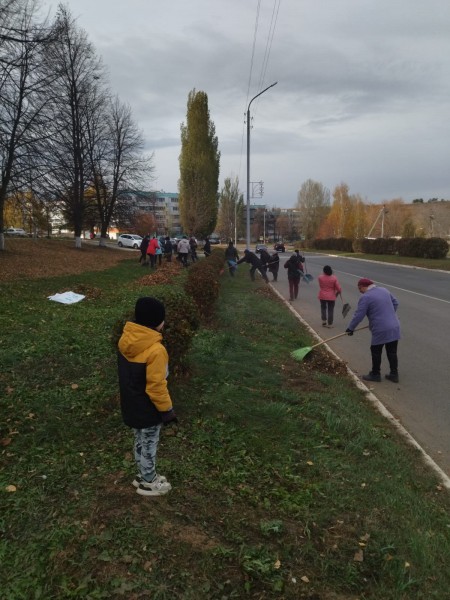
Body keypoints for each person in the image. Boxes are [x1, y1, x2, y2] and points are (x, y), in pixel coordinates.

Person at [117, 297, 177, 496]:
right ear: (156, 322)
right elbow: (156, 387)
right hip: (149, 409)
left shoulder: (126, 340)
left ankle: (142, 475)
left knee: (139, 440)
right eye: (162, 319)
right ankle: (149, 482)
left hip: (131, 404)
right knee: (149, 443)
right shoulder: (156, 350)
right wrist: (167, 410)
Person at [346, 278, 401, 383]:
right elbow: (396, 303)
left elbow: (359, 315)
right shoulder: (384, 290)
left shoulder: (366, 297)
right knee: (392, 351)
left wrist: (350, 328)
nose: (359, 291)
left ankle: (375, 374)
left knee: (376, 351)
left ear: (363, 286)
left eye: (359, 288)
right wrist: (389, 316)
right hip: (394, 325)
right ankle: (394, 374)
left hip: (381, 328)